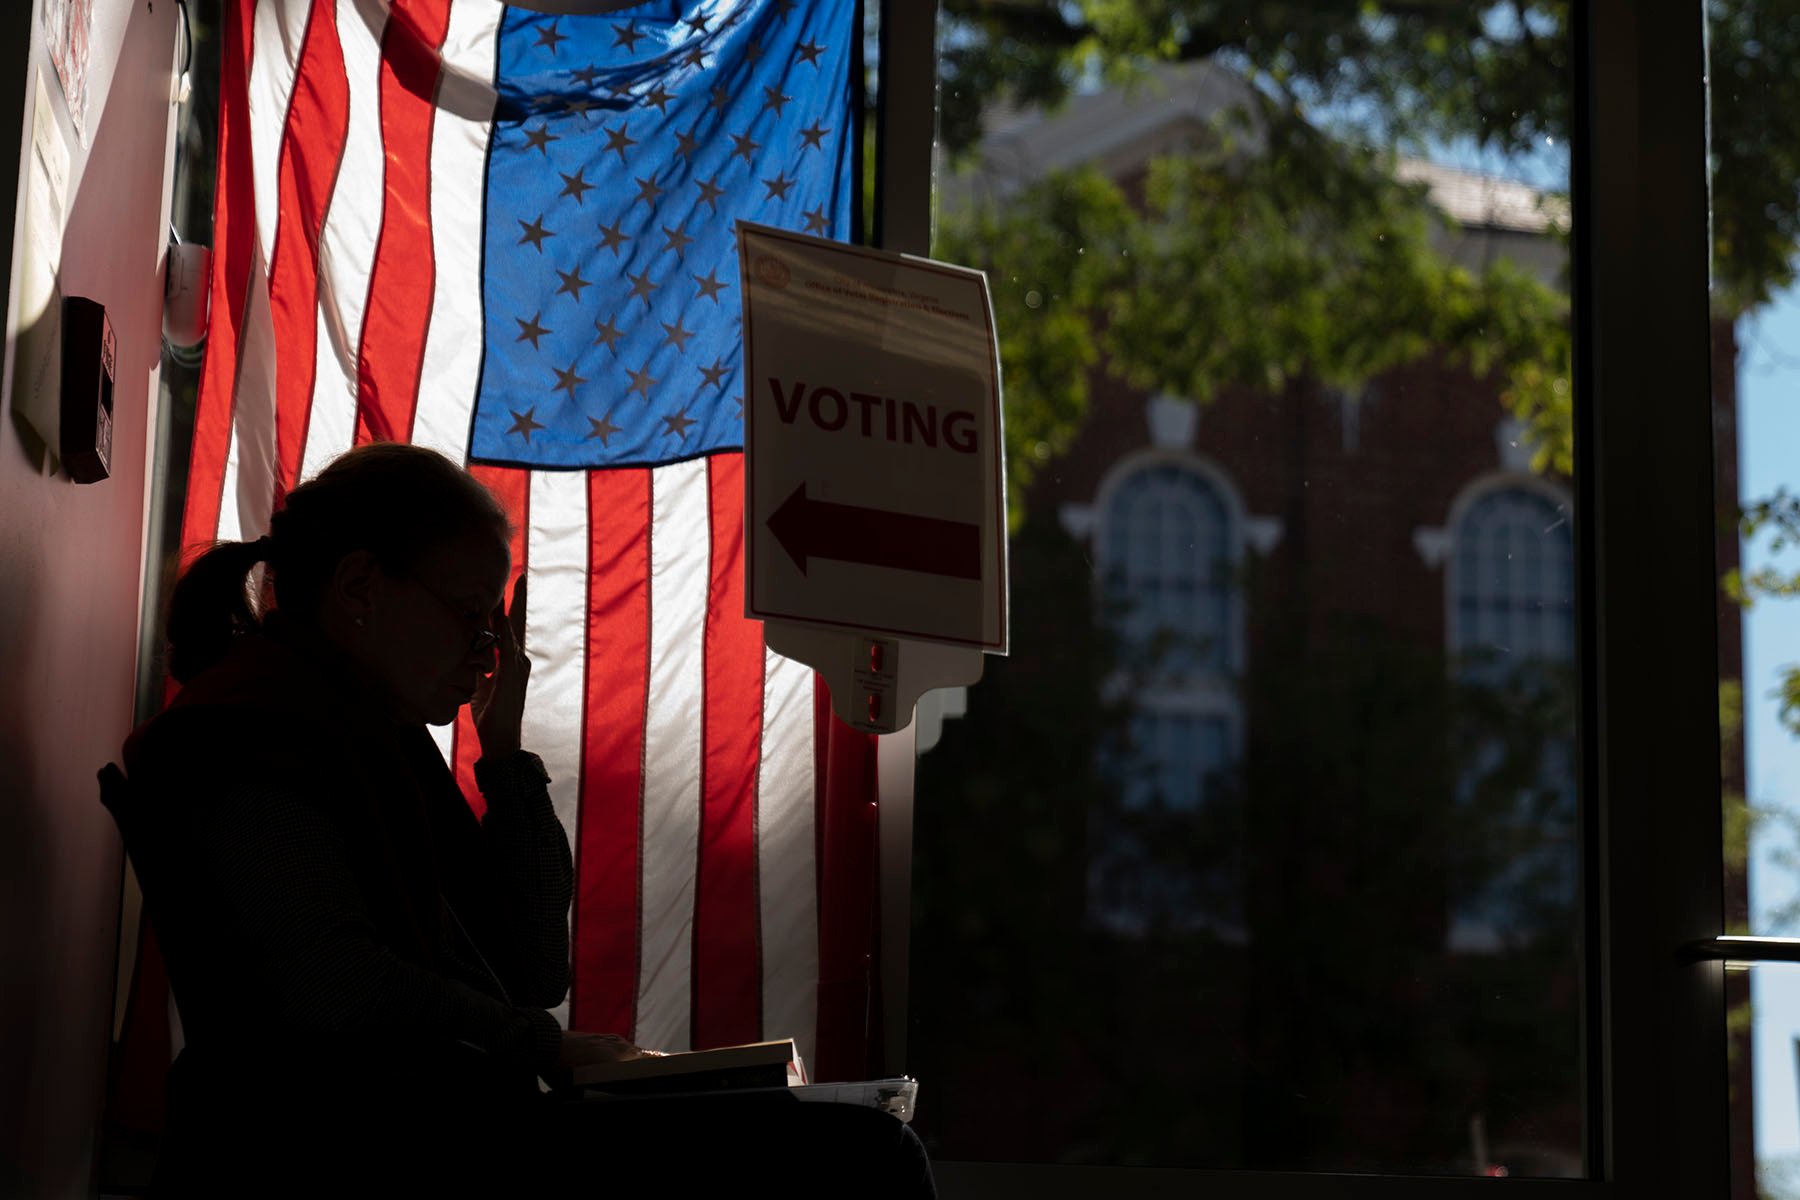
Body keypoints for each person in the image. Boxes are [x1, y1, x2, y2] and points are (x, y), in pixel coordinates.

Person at [116, 443, 934, 1196]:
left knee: (865, 1138)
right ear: (360, 588)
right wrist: (543, 1046)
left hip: (443, 1128)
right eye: (470, 615)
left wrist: (504, 757)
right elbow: (333, 979)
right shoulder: (243, 733)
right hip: (350, 1149)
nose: (488, 650)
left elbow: (535, 965)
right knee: (868, 1158)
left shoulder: (375, 733)